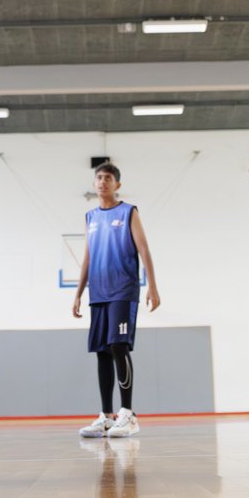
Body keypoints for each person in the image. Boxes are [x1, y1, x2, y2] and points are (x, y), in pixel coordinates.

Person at [73, 162, 161, 439]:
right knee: (102, 351)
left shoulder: (128, 212)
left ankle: (128, 414)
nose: (102, 182)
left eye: (108, 178)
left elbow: (144, 249)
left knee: (118, 345)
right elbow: (87, 257)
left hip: (123, 290)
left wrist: (153, 287)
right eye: (98, 177)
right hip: (98, 292)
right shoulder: (90, 216)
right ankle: (106, 416)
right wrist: (78, 293)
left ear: (117, 184)